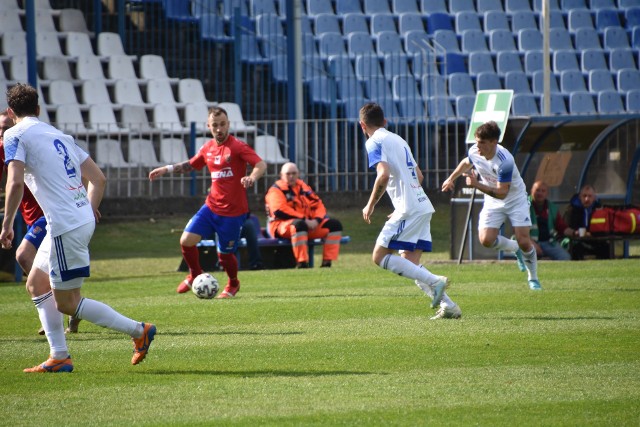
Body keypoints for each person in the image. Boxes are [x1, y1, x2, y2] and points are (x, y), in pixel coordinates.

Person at [0, 83, 155, 373]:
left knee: (68, 304)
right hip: (74, 219)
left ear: (11, 112)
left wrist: (7, 223)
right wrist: (87, 209)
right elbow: (99, 179)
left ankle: (139, 331)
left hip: (64, 224)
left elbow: (15, 181)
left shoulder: (14, 134)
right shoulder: (60, 135)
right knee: (36, 283)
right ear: (38, 109)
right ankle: (59, 355)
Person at [149, 106, 266, 297]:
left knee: (225, 255)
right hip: (211, 208)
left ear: (228, 124)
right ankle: (195, 273)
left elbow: (260, 164)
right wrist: (167, 169)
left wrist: (252, 177)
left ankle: (233, 284)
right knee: (186, 241)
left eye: (222, 124)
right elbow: (190, 165)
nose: (219, 129)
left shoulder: (238, 147)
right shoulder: (207, 148)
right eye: (215, 125)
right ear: (209, 126)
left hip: (233, 213)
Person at [359, 102, 461, 320]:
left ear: (362, 125)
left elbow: (383, 174)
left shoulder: (374, 141)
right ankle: (449, 306)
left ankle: (436, 281)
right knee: (410, 263)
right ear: (385, 121)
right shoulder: (399, 139)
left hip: (409, 208)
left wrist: (371, 204)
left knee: (379, 257)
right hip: (421, 204)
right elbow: (419, 175)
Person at [0, 110, 82, 335]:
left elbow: (78, 168)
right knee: (51, 270)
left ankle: (57, 315)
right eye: (0, 130)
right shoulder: (5, 148)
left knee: (23, 255)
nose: (3, 133)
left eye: (7, 128)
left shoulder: (29, 142)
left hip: (48, 214)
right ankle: (71, 307)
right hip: (32, 218)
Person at [442, 120, 541, 291]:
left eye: (481, 143)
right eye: (476, 141)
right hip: (493, 200)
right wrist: (451, 178)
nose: (477, 146)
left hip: (515, 199)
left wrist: (476, 185)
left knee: (524, 240)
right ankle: (514, 248)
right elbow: (467, 162)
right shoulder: (475, 150)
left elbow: (502, 192)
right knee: (486, 240)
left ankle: (533, 278)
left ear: (494, 142)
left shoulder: (505, 161)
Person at [265, 162, 343, 268]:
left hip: (307, 224)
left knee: (334, 225)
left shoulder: (303, 187)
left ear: (298, 174)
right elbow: (279, 211)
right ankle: (302, 263)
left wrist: (317, 220)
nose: (291, 176)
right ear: (281, 175)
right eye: (288, 174)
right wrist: (304, 219)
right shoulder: (275, 190)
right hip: (281, 226)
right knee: (299, 225)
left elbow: (318, 204)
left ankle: (327, 263)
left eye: (294, 173)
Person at [528, 180, 573, 261]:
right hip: (529, 242)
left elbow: (561, 226)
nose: (540, 193)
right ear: (532, 191)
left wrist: (573, 232)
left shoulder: (552, 208)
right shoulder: (524, 205)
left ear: (547, 193)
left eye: (543, 191)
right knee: (528, 258)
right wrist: (532, 243)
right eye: (537, 190)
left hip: (549, 242)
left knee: (565, 257)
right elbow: (518, 231)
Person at [564, 184, 611, 260]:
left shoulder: (599, 209)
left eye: (590, 196)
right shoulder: (571, 209)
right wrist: (576, 232)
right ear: (580, 197)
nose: (587, 199)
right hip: (576, 240)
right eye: (584, 196)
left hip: (594, 239)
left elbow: (603, 227)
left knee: (606, 247)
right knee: (576, 248)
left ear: (594, 198)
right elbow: (566, 227)